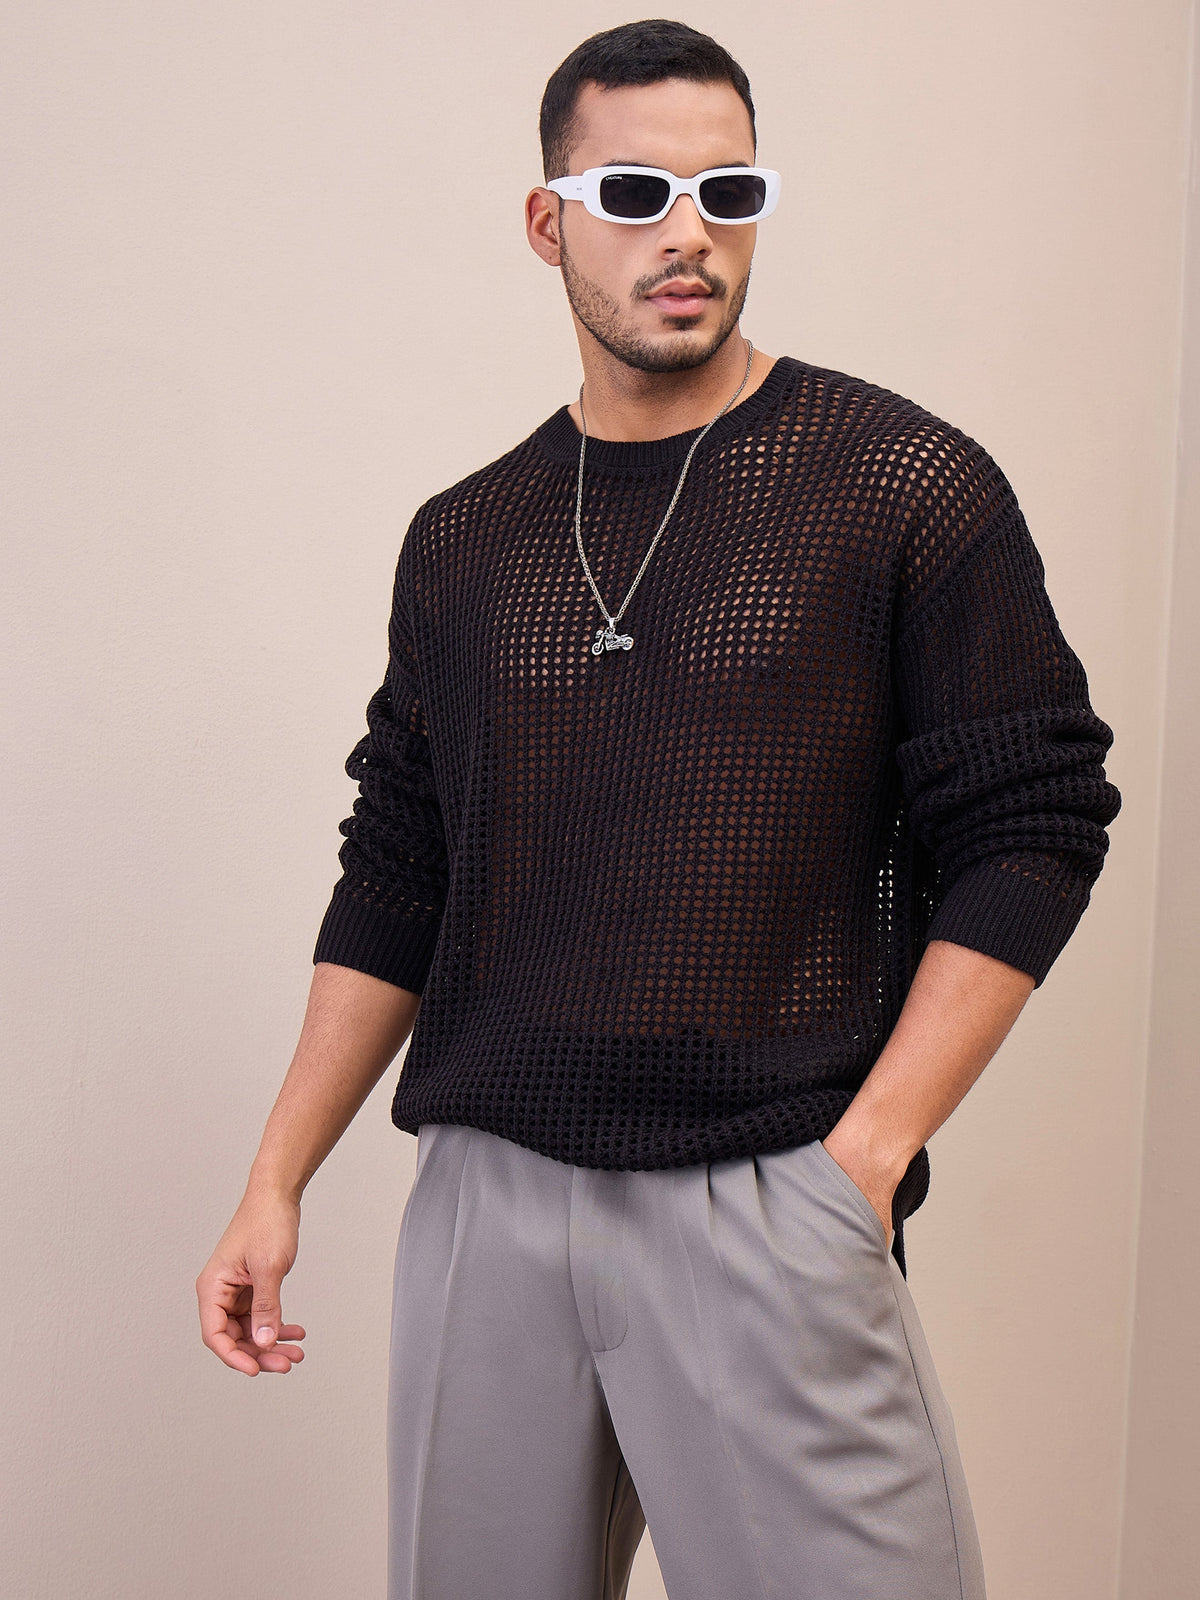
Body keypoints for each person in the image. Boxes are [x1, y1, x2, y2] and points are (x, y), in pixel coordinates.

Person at [196, 19, 1122, 1599]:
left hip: (767, 1186)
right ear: (548, 221)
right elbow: (400, 864)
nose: (687, 233)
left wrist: (866, 1156)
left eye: (728, 190)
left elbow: (1035, 819)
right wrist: (275, 1177)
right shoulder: (463, 540)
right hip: (488, 1196)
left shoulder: (901, 485)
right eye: (633, 193)